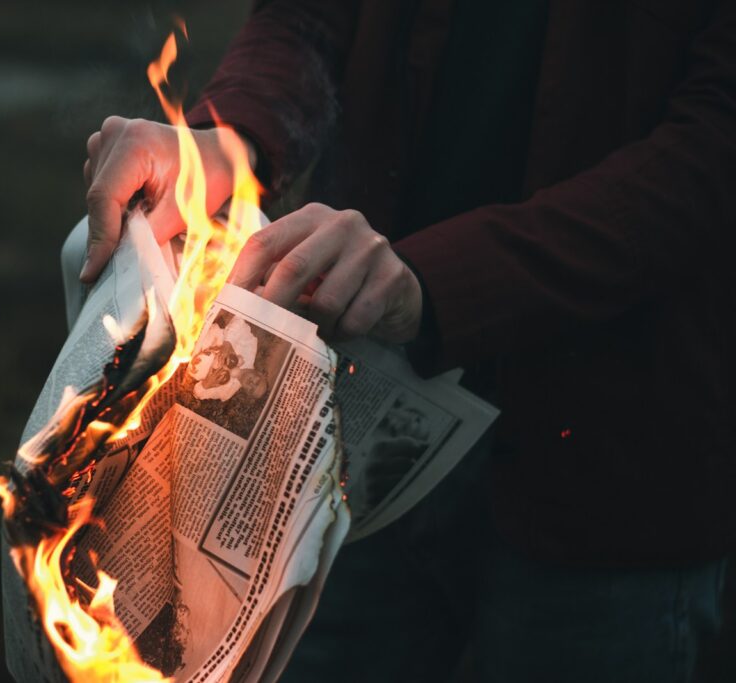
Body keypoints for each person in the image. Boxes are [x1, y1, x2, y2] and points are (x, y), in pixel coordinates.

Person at [76, 2, 735, 680]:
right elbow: (307, 19)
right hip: (350, 433)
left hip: (612, 466)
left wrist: (435, 280)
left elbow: (711, 152)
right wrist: (223, 144)